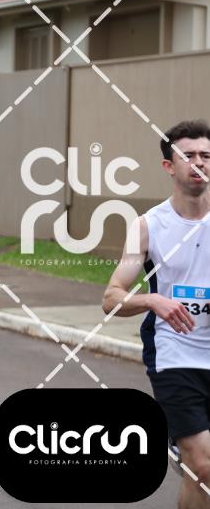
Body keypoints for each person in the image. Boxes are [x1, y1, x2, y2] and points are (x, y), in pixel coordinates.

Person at [102, 120, 210, 509]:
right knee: (204, 465)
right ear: (169, 166)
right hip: (175, 356)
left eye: (206, 155)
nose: (199, 162)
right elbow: (111, 298)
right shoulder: (148, 226)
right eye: (188, 155)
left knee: (201, 473)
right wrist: (152, 301)